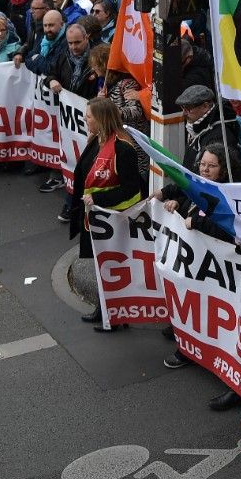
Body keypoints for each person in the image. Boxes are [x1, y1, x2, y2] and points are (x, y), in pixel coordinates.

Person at [70, 98, 144, 326]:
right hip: (95, 217)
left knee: (111, 267)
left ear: (101, 119)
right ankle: (105, 309)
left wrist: (98, 198)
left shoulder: (122, 148)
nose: (85, 119)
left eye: (89, 116)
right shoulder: (97, 140)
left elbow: (133, 187)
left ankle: (114, 314)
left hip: (113, 219)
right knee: (101, 264)